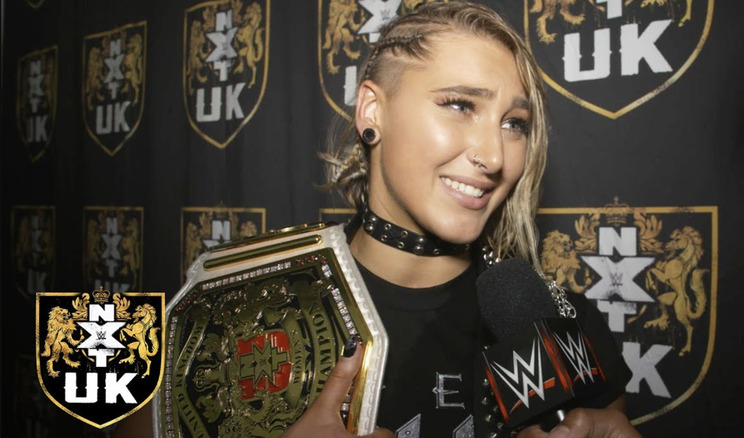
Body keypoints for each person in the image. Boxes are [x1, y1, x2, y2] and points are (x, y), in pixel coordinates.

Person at [114, 2, 641, 437]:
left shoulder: (557, 321)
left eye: (514, 123)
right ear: (372, 111)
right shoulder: (235, 300)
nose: (495, 154)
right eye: (459, 105)